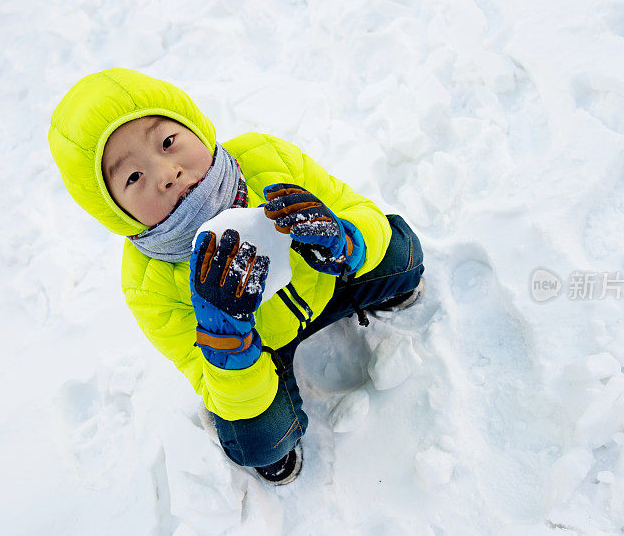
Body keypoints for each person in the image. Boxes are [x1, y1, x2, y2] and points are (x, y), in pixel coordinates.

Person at [48, 68, 424, 485]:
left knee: (400, 252)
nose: (165, 173)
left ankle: (386, 291)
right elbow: (211, 381)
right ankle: (275, 451)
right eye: (132, 177)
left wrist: (342, 239)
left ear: (195, 126)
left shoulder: (265, 158)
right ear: (115, 210)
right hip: (255, 352)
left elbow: (360, 210)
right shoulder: (147, 284)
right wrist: (226, 337)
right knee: (257, 435)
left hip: (326, 281)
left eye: (168, 142)